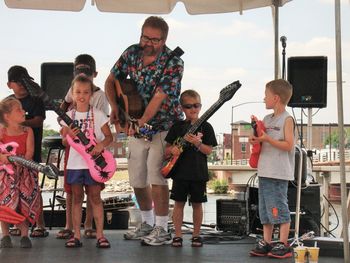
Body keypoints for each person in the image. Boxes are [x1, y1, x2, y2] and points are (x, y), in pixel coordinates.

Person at [104, 16, 184, 246]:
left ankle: (162, 228)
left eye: (154, 40)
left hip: (163, 126)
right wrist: (115, 107)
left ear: (164, 40)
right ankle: (147, 223)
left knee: (156, 176)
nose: (148, 43)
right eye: (144, 37)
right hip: (136, 124)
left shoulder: (174, 62)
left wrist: (142, 122)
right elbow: (111, 80)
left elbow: (160, 96)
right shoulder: (131, 53)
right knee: (137, 177)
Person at [56, 54, 110, 240]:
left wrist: (100, 146)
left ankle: (97, 232)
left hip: (93, 159)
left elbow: (107, 134)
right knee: (75, 196)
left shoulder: (99, 105)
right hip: (75, 160)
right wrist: (68, 135)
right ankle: (74, 232)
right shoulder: (69, 109)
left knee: (94, 196)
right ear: (72, 92)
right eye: (77, 92)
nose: (81, 96)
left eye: (85, 92)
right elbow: (63, 135)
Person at [164, 90, 217, 247]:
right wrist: (173, 149)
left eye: (197, 105)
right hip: (179, 173)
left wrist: (197, 143)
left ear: (201, 106)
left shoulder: (206, 127)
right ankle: (178, 235)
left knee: (197, 204)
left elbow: (209, 151)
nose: (193, 109)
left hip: (198, 173)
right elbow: (166, 151)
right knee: (178, 204)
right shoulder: (177, 127)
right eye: (188, 106)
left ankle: (196, 235)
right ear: (182, 108)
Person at [249, 79, 295, 259]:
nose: (263, 99)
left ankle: (283, 243)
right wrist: (256, 134)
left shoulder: (287, 119)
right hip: (264, 170)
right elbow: (260, 139)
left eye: (266, 95)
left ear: (275, 98)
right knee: (265, 209)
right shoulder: (266, 119)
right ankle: (266, 242)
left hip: (278, 172)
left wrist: (268, 139)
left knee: (279, 208)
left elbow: (289, 145)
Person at [6, 65, 48, 238]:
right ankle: (17, 223)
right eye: (18, 81)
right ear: (9, 84)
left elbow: (38, 121)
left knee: (33, 189)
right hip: (11, 157)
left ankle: (40, 225)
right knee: (13, 189)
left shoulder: (36, 99)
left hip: (31, 152)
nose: (22, 84)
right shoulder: (7, 103)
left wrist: (20, 124)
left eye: (25, 80)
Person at [0, 97, 41, 248]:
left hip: (24, 171)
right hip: (6, 173)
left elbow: (30, 152)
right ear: (7, 116)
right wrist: (4, 157)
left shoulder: (27, 130)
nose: (24, 111)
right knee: (4, 202)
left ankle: (24, 234)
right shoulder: (1, 131)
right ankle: (5, 234)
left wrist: (20, 161)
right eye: (19, 109)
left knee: (24, 202)